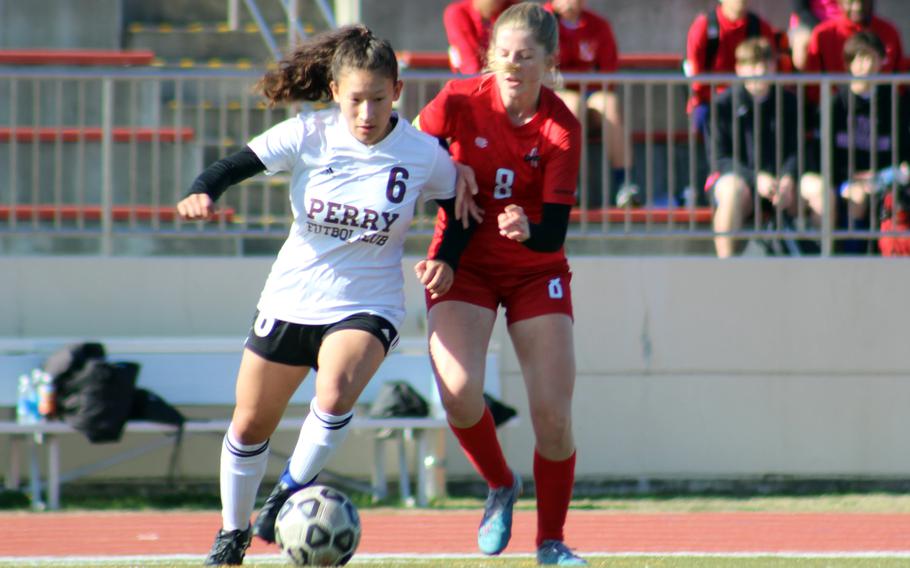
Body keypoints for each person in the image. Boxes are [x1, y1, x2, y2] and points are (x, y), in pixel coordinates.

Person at [179, 25, 477, 566]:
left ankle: (288, 493)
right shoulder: (308, 134)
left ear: (399, 92)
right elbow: (229, 166)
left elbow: (458, 201)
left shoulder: (421, 152)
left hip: (369, 302)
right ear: (336, 92)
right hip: (292, 297)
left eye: (379, 100)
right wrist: (202, 191)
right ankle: (231, 535)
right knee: (249, 425)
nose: (367, 113)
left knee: (336, 390)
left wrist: (446, 259)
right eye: (356, 100)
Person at [416, 3, 586, 565]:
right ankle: (499, 484)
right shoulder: (461, 98)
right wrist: (447, 164)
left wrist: (528, 229)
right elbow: (408, 150)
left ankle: (551, 541)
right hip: (464, 265)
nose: (513, 65)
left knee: (554, 417)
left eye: (526, 56)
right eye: (504, 55)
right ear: (490, 56)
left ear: (549, 61)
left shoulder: (562, 127)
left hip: (536, 270)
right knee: (459, 394)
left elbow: (554, 234)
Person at [801, 31, 910, 253]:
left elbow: (902, 152)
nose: (865, 65)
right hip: (843, 180)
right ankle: (851, 263)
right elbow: (824, 155)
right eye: (858, 58)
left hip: (882, 178)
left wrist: (880, 176)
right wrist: (849, 179)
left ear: (881, 61)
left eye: (870, 57)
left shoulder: (894, 103)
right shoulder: (834, 104)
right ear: (849, 64)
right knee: (857, 198)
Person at [707, 38, 815, 258]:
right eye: (752, 65)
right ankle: (725, 268)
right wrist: (755, 179)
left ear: (774, 67)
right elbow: (720, 159)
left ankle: (827, 267)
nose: (759, 71)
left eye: (765, 65)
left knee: (820, 191)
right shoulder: (722, 105)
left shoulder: (790, 102)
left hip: (783, 186)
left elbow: (799, 149)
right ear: (739, 68)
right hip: (742, 181)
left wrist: (787, 178)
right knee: (732, 190)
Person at [543, 0, 630, 206]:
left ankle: (625, 184)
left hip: (590, 93)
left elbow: (609, 73)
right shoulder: (543, 21)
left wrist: (580, 80)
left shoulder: (598, 25)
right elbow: (543, 70)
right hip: (556, 96)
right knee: (572, 105)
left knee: (609, 103)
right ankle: (571, 184)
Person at [685, 0, 780, 134]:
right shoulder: (704, 27)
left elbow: (771, 68)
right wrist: (725, 98)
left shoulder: (759, 27)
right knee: (707, 120)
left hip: (751, 99)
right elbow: (696, 78)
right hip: (711, 100)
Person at [444, 0, 517, 74]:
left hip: (506, 76)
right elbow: (468, 60)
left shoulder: (512, 9)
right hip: (474, 79)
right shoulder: (457, 12)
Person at [789, 0, 843, 70]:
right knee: (800, 52)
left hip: (840, 23)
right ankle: (803, 78)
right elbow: (801, 11)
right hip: (807, 24)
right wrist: (822, 29)